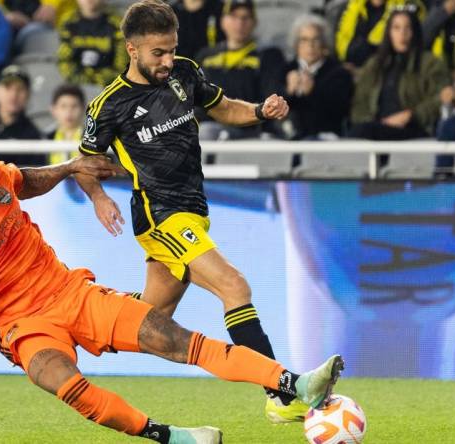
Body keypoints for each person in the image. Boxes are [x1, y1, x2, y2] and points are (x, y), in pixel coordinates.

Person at [0, 128, 344, 444]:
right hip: (22, 324)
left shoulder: (0, 180)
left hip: (71, 293)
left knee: (170, 337)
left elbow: (25, 180)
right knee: (62, 382)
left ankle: (297, 385)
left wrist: (68, 168)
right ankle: (172, 437)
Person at [74, 0, 308, 424]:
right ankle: (280, 392)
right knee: (234, 287)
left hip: (194, 210)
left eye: (171, 49)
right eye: (157, 53)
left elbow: (220, 106)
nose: (167, 61)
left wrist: (258, 111)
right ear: (132, 49)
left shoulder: (184, 71)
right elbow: (84, 162)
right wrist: (98, 197)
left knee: (153, 316)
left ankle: (85, 316)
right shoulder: (109, 105)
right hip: (160, 217)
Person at [349, 9, 449, 141]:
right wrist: (374, 121)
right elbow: (360, 102)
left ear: (415, 32)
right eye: (396, 28)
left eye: (408, 28)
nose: (402, 33)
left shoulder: (430, 63)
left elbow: (442, 97)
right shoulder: (375, 64)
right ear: (389, 32)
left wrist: (411, 115)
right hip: (376, 128)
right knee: (361, 131)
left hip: (413, 129)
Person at [195, 0, 286, 140]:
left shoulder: (268, 55)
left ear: (254, 22)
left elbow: (271, 95)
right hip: (212, 126)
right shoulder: (206, 56)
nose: (240, 23)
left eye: (245, 17)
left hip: (253, 127)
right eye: (234, 16)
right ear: (223, 21)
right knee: (204, 132)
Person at [283, 13, 353, 139]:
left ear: (324, 44)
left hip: (324, 137)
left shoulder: (339, 73)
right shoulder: (284, 69)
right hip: (287, 137)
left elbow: (339, 111)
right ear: (296, 45)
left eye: (316, 39)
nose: (310, 45)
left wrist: (313, 91)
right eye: (304, 40)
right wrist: (288, 92)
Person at [333, 0, 425, 72]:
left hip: (388, 70)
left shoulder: (407, 6)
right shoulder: (349, 7)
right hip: (348, 68)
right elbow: (340, 45)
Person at [57, 0, 128, 86]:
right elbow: (64, 61)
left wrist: (99, 79)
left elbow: (121, 65)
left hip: (109, 87)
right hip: (75, 86)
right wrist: (81, 80)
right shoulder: (68, 22)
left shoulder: (118, 24)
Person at [45, 83, 86, 163]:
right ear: (53, 109)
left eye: (74, 106)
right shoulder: (45, 138)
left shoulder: (94, 139)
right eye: (63, 106)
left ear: (83, 108)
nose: (69, 112)